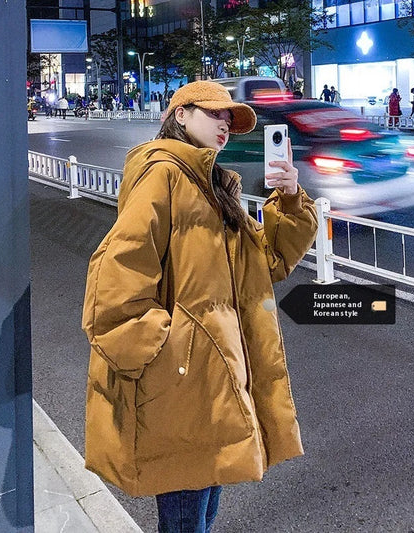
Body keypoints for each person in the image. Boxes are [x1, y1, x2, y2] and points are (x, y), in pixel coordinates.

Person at [81, 80, 318, 533]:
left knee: (202, 515)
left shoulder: (213, 186)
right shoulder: (162, 174)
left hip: (218, 381)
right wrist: (170, 352)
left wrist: (289, 199)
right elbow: (116, 281)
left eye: (230, 118)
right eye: (214, 114)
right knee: (187, 521)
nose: (225, 124)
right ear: (181, 115)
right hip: (185, 384)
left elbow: (266, 261)